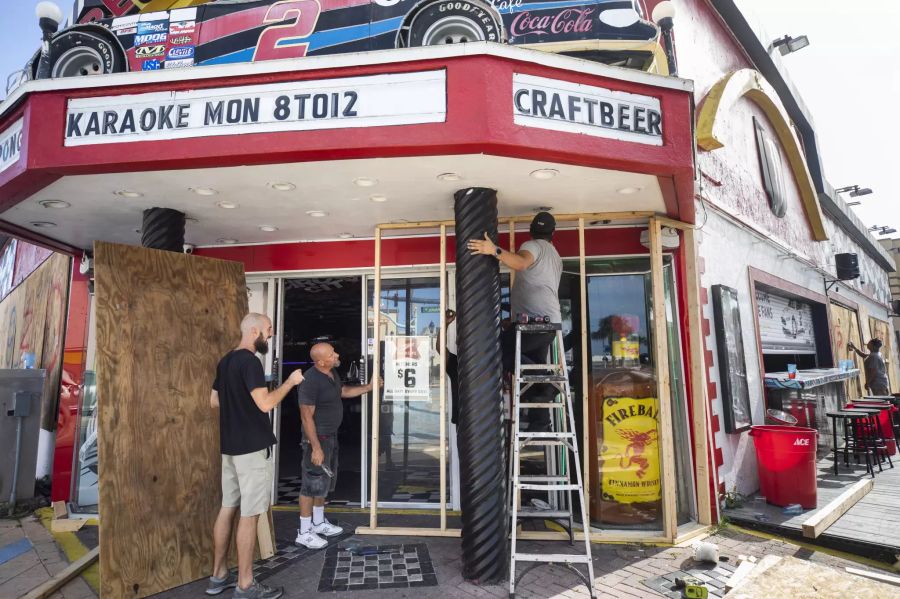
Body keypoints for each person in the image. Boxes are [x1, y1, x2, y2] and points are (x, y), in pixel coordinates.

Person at [207, 313, 304, 599]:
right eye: (268, 329)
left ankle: (218, 576)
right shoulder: (249, 361)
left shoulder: (226, 361)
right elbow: (265, 404)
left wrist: (238, 403)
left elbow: (213, 401)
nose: (271, 334)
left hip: (230, 448)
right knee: (249, 515)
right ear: (253, 331)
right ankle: (246, 584)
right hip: (251, 449)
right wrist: (289, 382)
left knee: (228, 507)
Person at [467, 211, 562, 431]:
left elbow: (520, 263)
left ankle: (547, 381)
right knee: (533, 363)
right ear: (553, 234)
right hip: (547, 324)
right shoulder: (554, 254)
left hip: (533, 325)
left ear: (531, 231)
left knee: (494, 352)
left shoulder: (533, 246)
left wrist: (494, 250)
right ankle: (541, 422)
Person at [295, 342, 376, 549]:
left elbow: (342, 391)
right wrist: (316, 447)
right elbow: (306, 417)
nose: (337, 354)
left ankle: (319, 522)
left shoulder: (331, 374)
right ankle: (304, 532)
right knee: (311, 484)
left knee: (323, 482)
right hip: (317, 439)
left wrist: (368, 388)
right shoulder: (310, 381)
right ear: (321, 361)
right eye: (332, 354)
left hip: (330, 437)